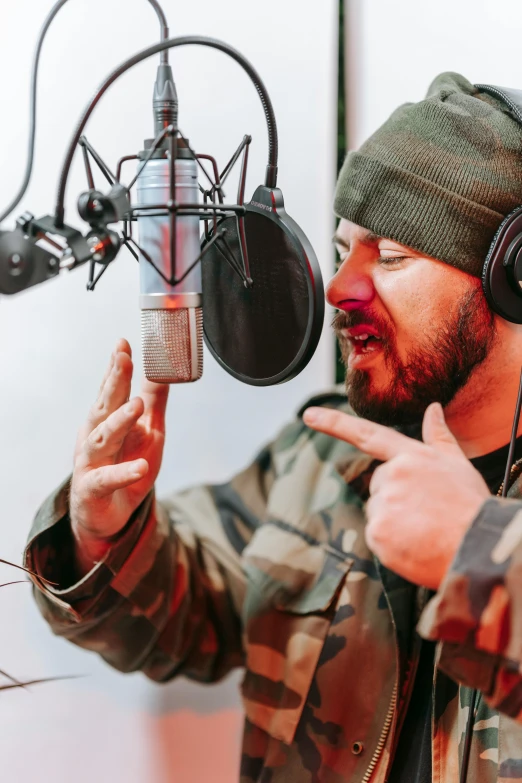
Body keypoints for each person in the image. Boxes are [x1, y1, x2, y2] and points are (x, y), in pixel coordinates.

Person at [25, 72, 522, 782]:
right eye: (344, 248)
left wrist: (481, 556)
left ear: (512, 275)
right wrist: (101, 532)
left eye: (389, 256)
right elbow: (185, 607)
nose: (339, 288)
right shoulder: (322, 457)